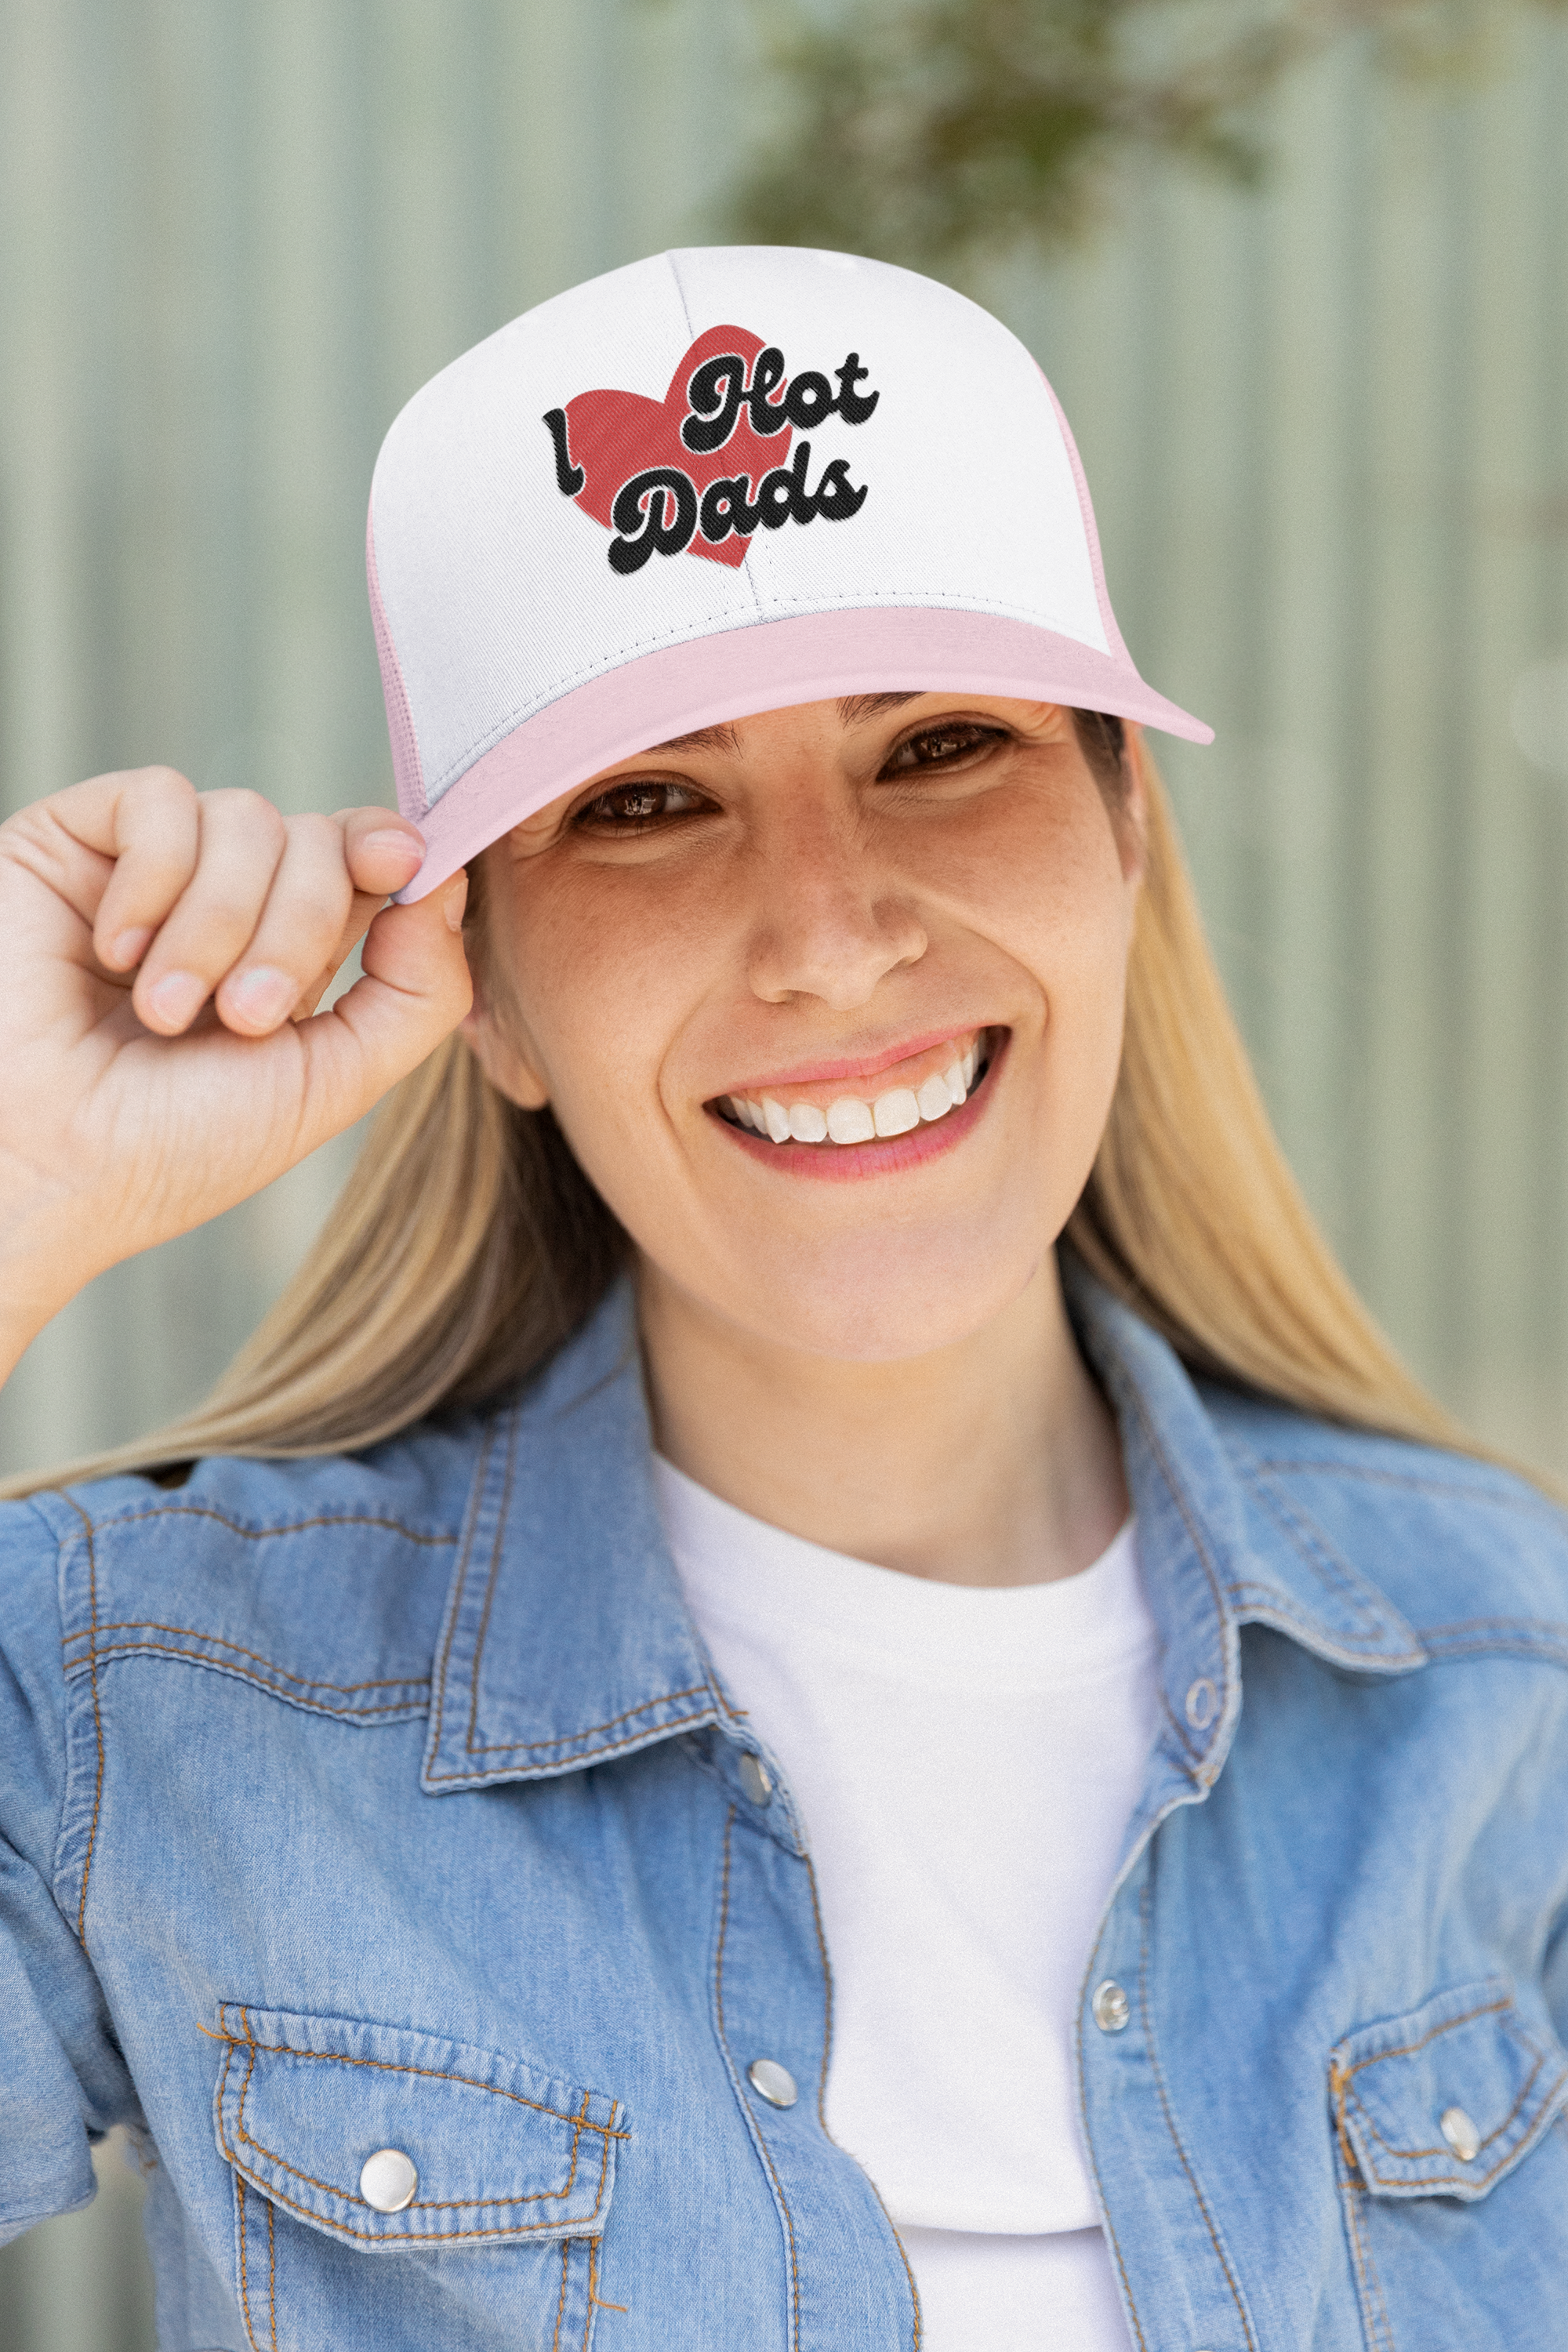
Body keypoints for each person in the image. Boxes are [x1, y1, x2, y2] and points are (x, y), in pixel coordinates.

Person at [1, 247, 1564, 2352]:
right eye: (649, 802)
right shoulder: (149, 1686)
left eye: (939, 748)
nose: (827, 940)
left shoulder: (1504, 1675)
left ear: (1126, 839)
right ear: (491, 991)